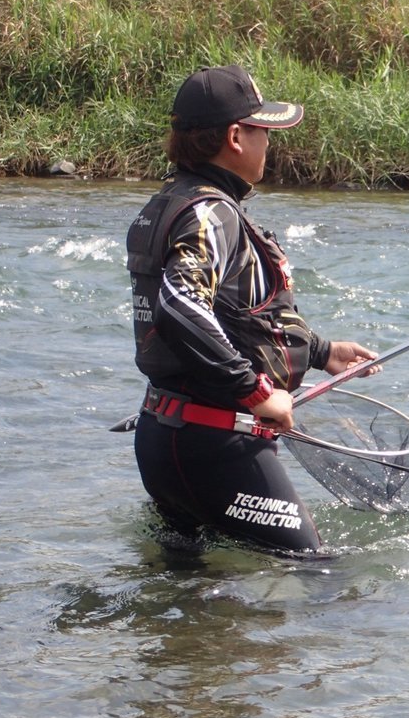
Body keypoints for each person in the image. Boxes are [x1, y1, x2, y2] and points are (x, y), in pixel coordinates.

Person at [126, 64, 378, 555]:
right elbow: (179, 305)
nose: (269, 143)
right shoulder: (213, 213)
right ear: (236, 137)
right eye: (263, 130)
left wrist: (321, 351)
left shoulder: (167, 203)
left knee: (185, 586)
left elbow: (232, 311)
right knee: (321, 573)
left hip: (163, 437)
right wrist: (257, 391)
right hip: (217, 446)